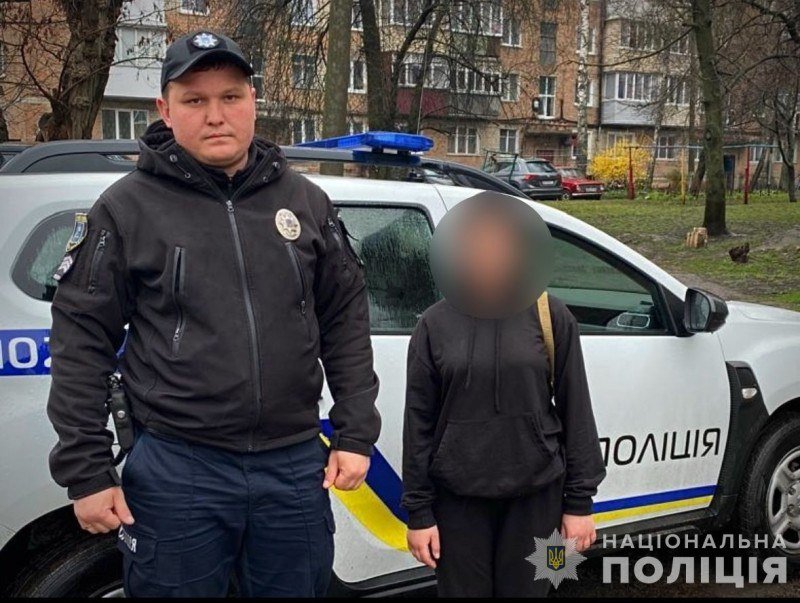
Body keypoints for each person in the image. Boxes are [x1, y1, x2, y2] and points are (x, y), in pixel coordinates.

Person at [46, 30, 380, 597]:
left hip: (293, 465)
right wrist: (86, 470)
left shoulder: (305, 202)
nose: (216, 115)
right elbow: (80, 341)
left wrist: (355, 432)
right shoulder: (126, 209)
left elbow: (345, 319)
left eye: (230, 96)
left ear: (253, 101)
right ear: (165, 110)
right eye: (195, 100)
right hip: (179, 469)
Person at [401, 200, 606, 597]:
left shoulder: (551, 315)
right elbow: (418, 421)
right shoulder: (434, 323)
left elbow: (577, 409)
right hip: (457, 502)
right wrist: (419, 512)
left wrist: (579, 505)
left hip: (540, 499)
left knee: (540, 588)